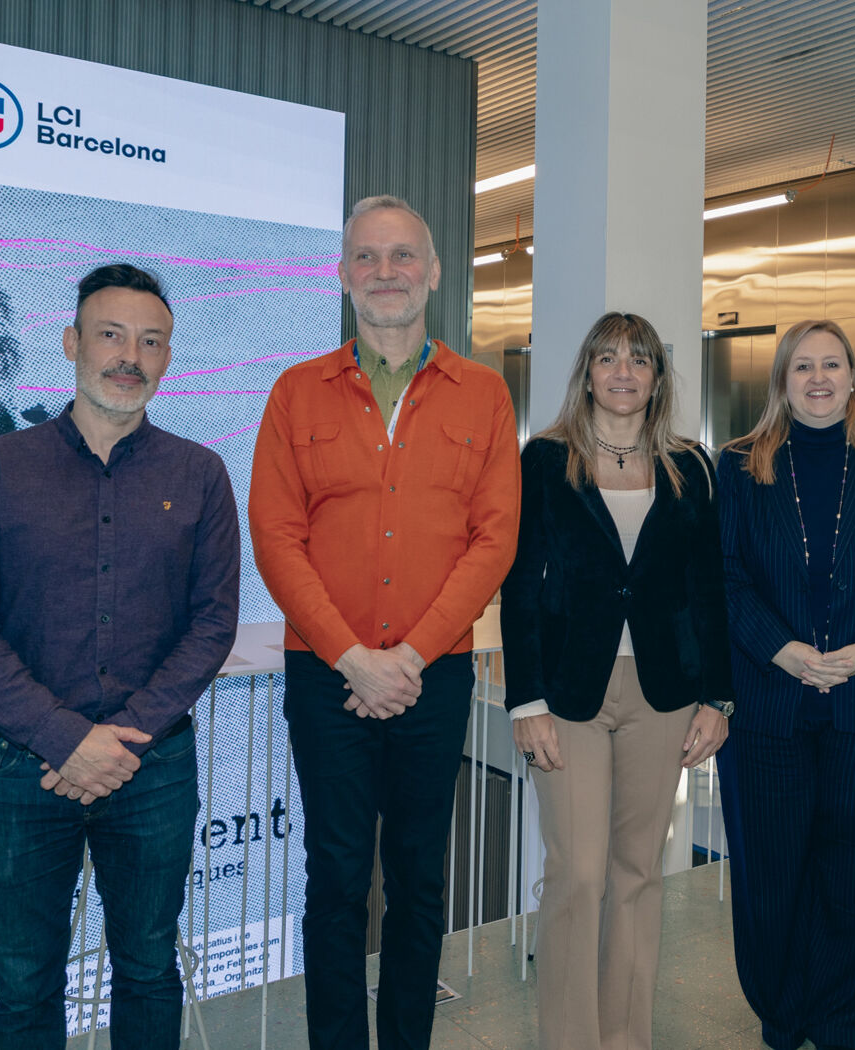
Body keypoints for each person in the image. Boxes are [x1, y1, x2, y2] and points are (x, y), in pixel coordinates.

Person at [0, 263, 241, 1049]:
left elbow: (212, 622)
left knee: (146, 969)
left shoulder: (200, 474)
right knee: (26, 981)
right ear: (72, 342)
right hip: (18, 769)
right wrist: (67, 738)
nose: (128, 356)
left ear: (168, 359)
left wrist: (125, 738)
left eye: (150, 341)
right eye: (110, 334)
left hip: (153, 769)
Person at [248, 195, 521, 1049]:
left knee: (418, 878)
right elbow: (275, 535)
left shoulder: (482, 395)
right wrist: (353, 657)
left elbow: (494, 538)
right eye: (367, 257)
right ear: (342, 276)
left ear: (434, 273)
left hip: (432, 676)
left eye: (404, 256)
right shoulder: (297, 393)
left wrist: (406, 655)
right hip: (325, 675)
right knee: (332, 877)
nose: (386, 273)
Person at [500, 311, 732, 1050]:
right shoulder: (544, 459)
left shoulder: (691, 466)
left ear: (659, 376)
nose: (623, 372)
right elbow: (521, 588)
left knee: (636, 873)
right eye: (607, 358)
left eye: (638, 359)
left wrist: (718, 697)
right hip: (569, 696)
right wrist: (525, 701)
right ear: (587, 373)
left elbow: (709, 588)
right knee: (578, 873)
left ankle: (625, 1037)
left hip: (664, 692)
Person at [718, 319, 855, 1050]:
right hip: (769, 703)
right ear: (781, 381)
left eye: (833, 365)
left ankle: (854, 1023)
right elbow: (723, 576)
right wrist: (780, 650)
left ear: (854, 377)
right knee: (774, 876)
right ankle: (784, 1017)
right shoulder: (739, 465)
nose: (818, 379)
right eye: (802, 367)